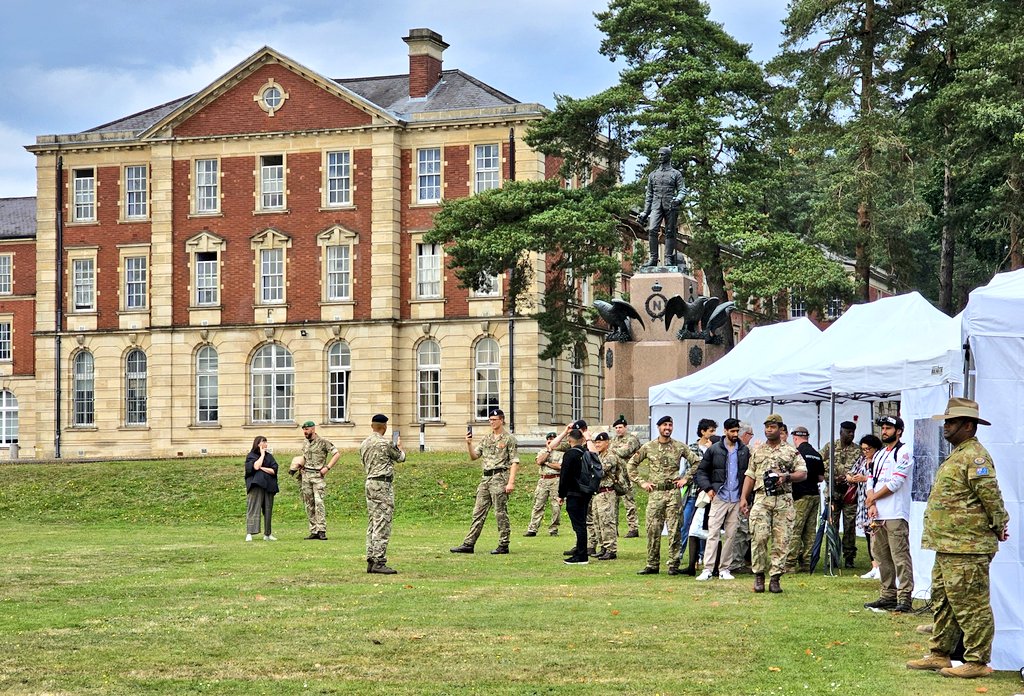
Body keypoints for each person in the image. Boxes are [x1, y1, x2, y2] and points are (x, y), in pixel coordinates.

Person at [907, 398, 1009, 680]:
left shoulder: (975, 456)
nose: (946, 427)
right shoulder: (958, 454)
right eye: (946, 422)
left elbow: (991, 497)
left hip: (967, 546)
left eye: (951, 422)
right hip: (948, 545)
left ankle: (977, 660)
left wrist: (1000, 524)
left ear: (968, 425)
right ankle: (939, 654)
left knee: (971, 605)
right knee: (944, 602)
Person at [740, 414, 808, 594]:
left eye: (773, 427)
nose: (769, 430)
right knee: (759, 537)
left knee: (782, 540)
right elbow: (750, 475)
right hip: (762, 499)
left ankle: (775, 578)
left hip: (783, 500)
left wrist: (786, 477)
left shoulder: (791, 451)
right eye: (767, 427)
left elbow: (803, 473)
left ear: (781, 429)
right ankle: (759, 576)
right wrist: (743, 498)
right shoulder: (758, 451)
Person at [628, 415, 699, 575]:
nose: (667, 428)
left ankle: (673, 564)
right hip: (656, 493)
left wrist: (686, 479)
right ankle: (652, 564)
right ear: (658, 427)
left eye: (670, 425)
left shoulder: (679, 446)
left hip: (673, 493)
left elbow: (696, 462)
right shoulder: (648, 447)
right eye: (664, 425)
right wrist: (642, 482)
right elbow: (631, 464)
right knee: (653, 529)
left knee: (675, 530)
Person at [863, 415, 914, 612]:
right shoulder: (879, 454)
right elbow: (871, 478)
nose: (884, 431)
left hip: (895, 512)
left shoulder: (904, 452)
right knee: (881, 555)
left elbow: (896, 482)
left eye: (888, 428)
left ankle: (904, 597)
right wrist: (871, 501)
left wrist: (873, 497)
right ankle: (887, 595)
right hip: (878, 513)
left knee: (899, 556)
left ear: (898, 431)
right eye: (883, 428)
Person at [450, 408, 519, 555]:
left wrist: (511, 482)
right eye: (490, 420)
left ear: (501, 420)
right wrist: (468, 444)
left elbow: (514, 461)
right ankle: (469, 544)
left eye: (494, 420)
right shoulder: (486, 438)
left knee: (500, 512)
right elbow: (474, 456)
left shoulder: (509, 439)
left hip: (500, 477)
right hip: (485, 478)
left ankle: (503, 544)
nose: (492, 422)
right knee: (478, 512)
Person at [694, 418, 749, 581]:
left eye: (737, 431)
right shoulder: (715, 449)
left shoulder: (743, 450)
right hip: (720, 495)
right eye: (732, 431)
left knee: (732, 535)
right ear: (725, 431)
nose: (735, 434)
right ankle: (708, 568)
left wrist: (745, 497)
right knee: (713, 533)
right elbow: (701, 471)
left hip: (736, 497)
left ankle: (725, 568)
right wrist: (709, 489)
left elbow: (747, 474)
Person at [359, 414, 406, 575]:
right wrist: (399, 446)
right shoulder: (386, 444)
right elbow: (401, 458)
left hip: (370, 482)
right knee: (382, 522)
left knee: (373, 522)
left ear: (372, 426)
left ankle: (371, 558)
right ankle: (379, 560)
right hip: (382, 484)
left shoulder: (364, 443)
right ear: (384, 427)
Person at [292, 420, 340, 540]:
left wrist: (327, 467)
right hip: (306, 475)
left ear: (313, 429)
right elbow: (305, 456)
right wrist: (299, 465)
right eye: (303, 430)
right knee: (309, 504)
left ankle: (321, 530)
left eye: (306, 429)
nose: (305, 432)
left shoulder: (323, 442)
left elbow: (336, 454)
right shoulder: (305, 443)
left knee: (319, 503)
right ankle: (313, 530)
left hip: (318, 476)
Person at [680, 418, 717, 575]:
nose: (713, 433)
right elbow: (690, 469)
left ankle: (702, 556)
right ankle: (681, 554)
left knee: (704, 527)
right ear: (703, 432)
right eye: (711, 431)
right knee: (686, 524)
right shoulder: (692, 448)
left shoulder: (716, 448)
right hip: (694, 492)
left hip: (708, 495)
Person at [785, 426, 824, 573]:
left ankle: (789, 564)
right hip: (814, 495)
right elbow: (821, 478)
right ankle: (807, 563)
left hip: (800, 495)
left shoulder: (797, 453)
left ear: (795, 438)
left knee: (795, 530)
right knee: (810, 532)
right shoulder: (816, 454)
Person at [638, 146, 684, 267]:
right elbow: (649, 194)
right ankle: (653, 258)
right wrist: (645, 212)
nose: (660, 157)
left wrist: (678, 199)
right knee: (652, 229)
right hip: (656, 206)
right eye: (659, 154)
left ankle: (668, 258)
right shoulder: (653, 175)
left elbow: (682, 190)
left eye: (662, 154)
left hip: (671, 206)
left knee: (670, 232)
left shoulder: (676, 174)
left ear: (668, 156)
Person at [822, 421, 860, 568]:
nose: (851, 435)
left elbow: (862, 469)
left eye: (852, 432)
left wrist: (849, 478)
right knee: (833, 524)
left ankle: (849, 557)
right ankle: (833, 555)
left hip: (850, 494)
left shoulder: (857, 450)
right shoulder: (829, 447)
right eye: (848, 432)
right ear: (841, 431)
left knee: (850, 526)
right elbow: (820, 467)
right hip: (833, 493)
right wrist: (832, 478)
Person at [557, 429, 593, 565]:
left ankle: (581, 555)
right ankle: (579, 551)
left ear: (569, 440)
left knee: (579, 526)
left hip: (574, 493)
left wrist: (561, 494)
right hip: (586, 492)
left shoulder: (570, 454)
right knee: (581, 523)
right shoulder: (586, 453)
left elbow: (564, 476)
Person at [590, 431, 624, 561]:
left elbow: (600, 471)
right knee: (597, 521)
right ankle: (603, 546)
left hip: (607, 492)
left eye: (600, 442)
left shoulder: (610, 456)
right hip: (598, 493)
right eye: (596, 442)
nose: (597, 444)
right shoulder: (599, 456)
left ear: (607, 442)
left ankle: (611, 549)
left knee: (607, 521)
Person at [728, 422, 755, 574]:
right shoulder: (742, 451)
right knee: (740, 530)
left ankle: (738, 561)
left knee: (744, 531)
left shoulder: (744, 450)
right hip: (738, 496)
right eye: (750, 435)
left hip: (744, 496)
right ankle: (735, 563)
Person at [524, 432, 562, 537]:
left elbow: (560, 466)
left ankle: (554, 529)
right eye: (549, 439)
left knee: (556, 506)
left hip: (556, 480)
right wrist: (548, 451)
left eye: (553, 439)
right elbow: (539, 461)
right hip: (543, 480)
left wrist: (547, 463)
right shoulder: (542, 451)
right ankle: (533, 528)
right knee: (538, 505)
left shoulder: (562, 453)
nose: (551, 441)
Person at [610, 415, 641, 538]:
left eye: (620, 427)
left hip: (627, 475)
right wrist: (616, 448)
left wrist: (614, 450)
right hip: (615, 475)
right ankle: (613, 529)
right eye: (616, 427)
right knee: (613, 503)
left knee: (629, 502)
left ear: (625, 427)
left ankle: (633, 528)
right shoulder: (613, 440)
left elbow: (625, 452)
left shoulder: (631, 439)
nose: (618, 429)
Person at [244, 436, 279, 542]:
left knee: (268, 510)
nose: (266, 444)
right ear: (258, 444)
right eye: (264, 442)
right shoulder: (251, 456)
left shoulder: (270, 457)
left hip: (269, 486)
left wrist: (262, 468)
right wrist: (262, 455)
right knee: (253, 509)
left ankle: (267, 534)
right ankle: (250, 533)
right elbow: (255, 467)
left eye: (266, 442)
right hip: (256, 486)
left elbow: (274, 470)